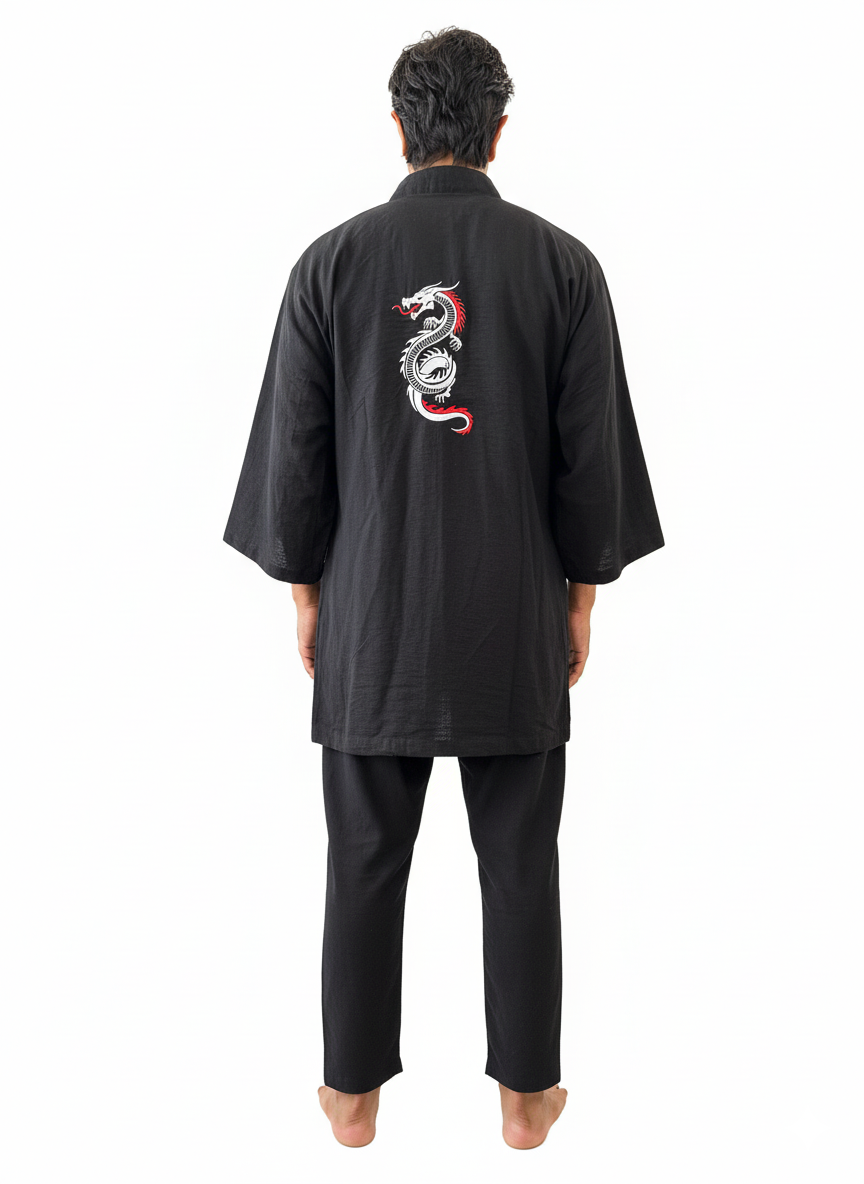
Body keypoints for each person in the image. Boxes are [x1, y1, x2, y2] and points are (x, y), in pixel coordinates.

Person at [224, 27, 664, 1150]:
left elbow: (296, 460)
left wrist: (307, 598)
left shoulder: (330, 264)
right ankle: (525, 1098)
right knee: (519, 861)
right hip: (512, 616)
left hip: (372, 618)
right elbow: (590, 465)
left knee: (364, 861)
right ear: (500, 130)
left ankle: (351, 1097)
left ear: (397, 127)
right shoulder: (564, 266)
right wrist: (580, 599)